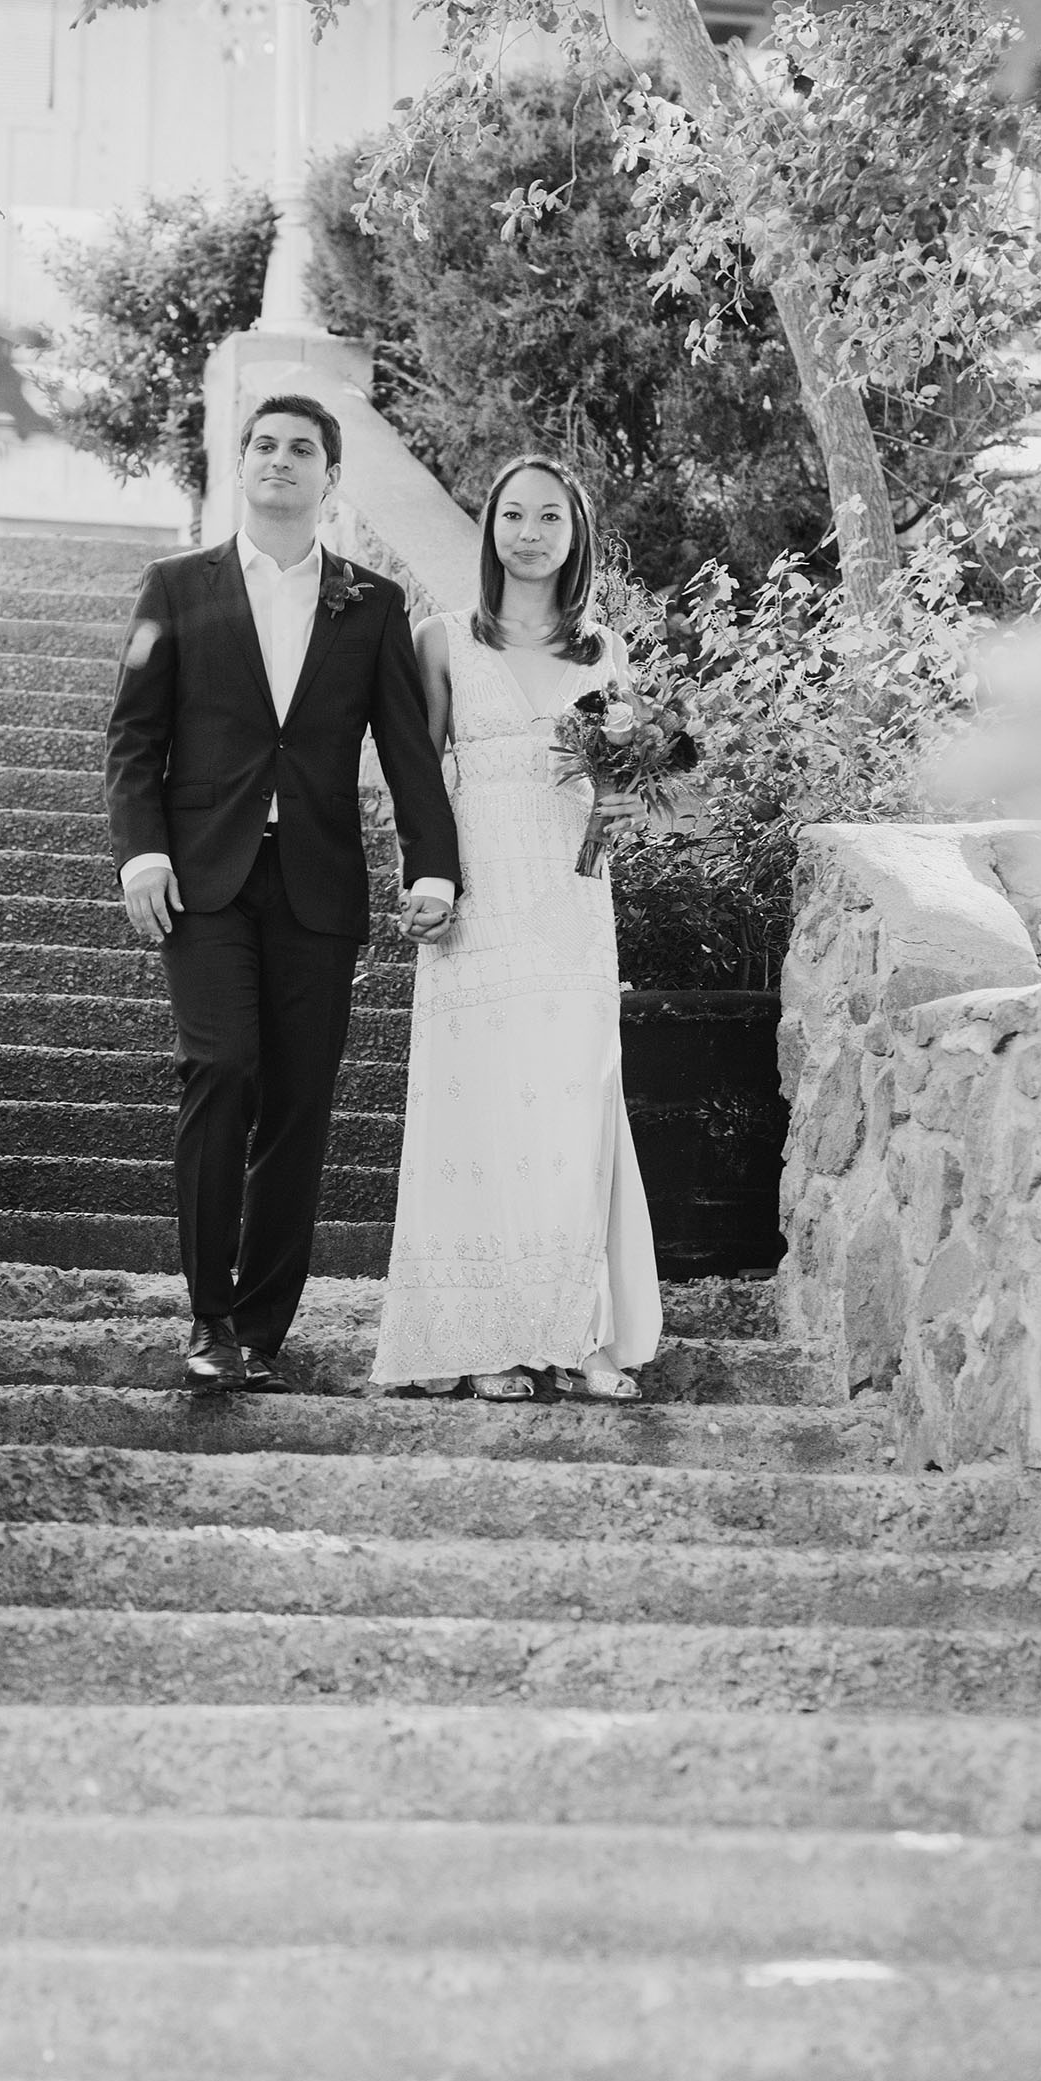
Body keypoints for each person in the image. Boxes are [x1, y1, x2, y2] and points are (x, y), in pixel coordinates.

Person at [106, 393, 462, 1392]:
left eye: (301, 449)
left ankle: (262, 1324)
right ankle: (209, 1313)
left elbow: (405, 747)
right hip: (204, 880)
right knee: (223, 1070)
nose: (279, 460)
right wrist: (142, 853)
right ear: (243, 463)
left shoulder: (372, 602)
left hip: (317, 883)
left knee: (300, 1104)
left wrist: (431, 865)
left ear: (327, 478)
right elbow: (134, 735)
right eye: (263, 444)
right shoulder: (174, 587)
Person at [370, 454, 663, 1403]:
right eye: (511, 516)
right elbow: (419, 775)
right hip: (483, 899)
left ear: (574, 533)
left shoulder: (604, 651)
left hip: (573, 905)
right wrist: (426, 880)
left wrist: (626, 800)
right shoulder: (443, 637)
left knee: (574, 1109)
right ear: (490, 529)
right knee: (484, 1109)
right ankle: (488, 1333)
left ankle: (581, 1334)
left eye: (549, 517)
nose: (528, 532)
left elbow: (626, 787)